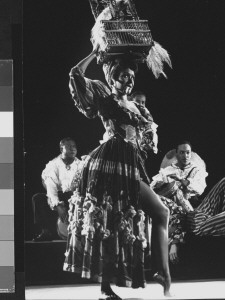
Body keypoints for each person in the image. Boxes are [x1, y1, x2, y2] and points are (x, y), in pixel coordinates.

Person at [63, 45, 171, 300]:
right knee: (109, 221)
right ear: (112, 77)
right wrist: (93, 52)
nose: (129, 80)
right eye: (124, 75)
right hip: (109, 163)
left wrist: (147, 139)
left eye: (132, 76)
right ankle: (105, 288)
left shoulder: (137, 107)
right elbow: (75, 74)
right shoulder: (104, 94)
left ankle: (162, 272)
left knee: (160, 212)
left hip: (129, 166)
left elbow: (145, 143)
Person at [151, 141, 225, 264]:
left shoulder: (195, 169)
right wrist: (174, 243)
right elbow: (159, 196)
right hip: (189, 219)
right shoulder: (166, 174)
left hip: (198, 208)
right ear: (177, 154)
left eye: (188, 153)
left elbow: (199, 188)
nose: (185, 156)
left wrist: (185, 182)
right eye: (182, 153)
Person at [31, 138, 81, 242]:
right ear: (61, 149)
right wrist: (57, 205)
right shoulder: (53, 165)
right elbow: (51, 187)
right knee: (38, 198)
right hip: (57, 196)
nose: (73, 149)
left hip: (75, 196)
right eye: (69, 146)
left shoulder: (81, 165)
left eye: (74, 146)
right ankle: (46, 231)